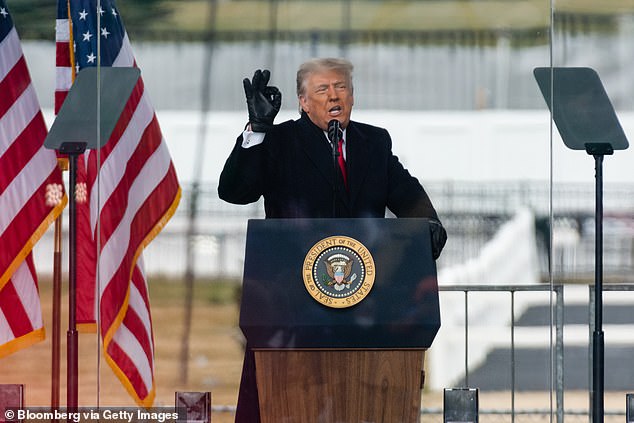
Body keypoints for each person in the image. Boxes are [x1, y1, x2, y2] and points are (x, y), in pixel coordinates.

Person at [218, 57, 447, 422]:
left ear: (353, 96)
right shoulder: (278, 142)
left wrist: (426, 224)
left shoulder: (374, 142)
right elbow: (234, 191)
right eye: (322, 89)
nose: (333, 96)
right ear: (303, 101)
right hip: (292, 306)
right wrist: (258, 129)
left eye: (341, 87)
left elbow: (405, 192)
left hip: (367, 304)